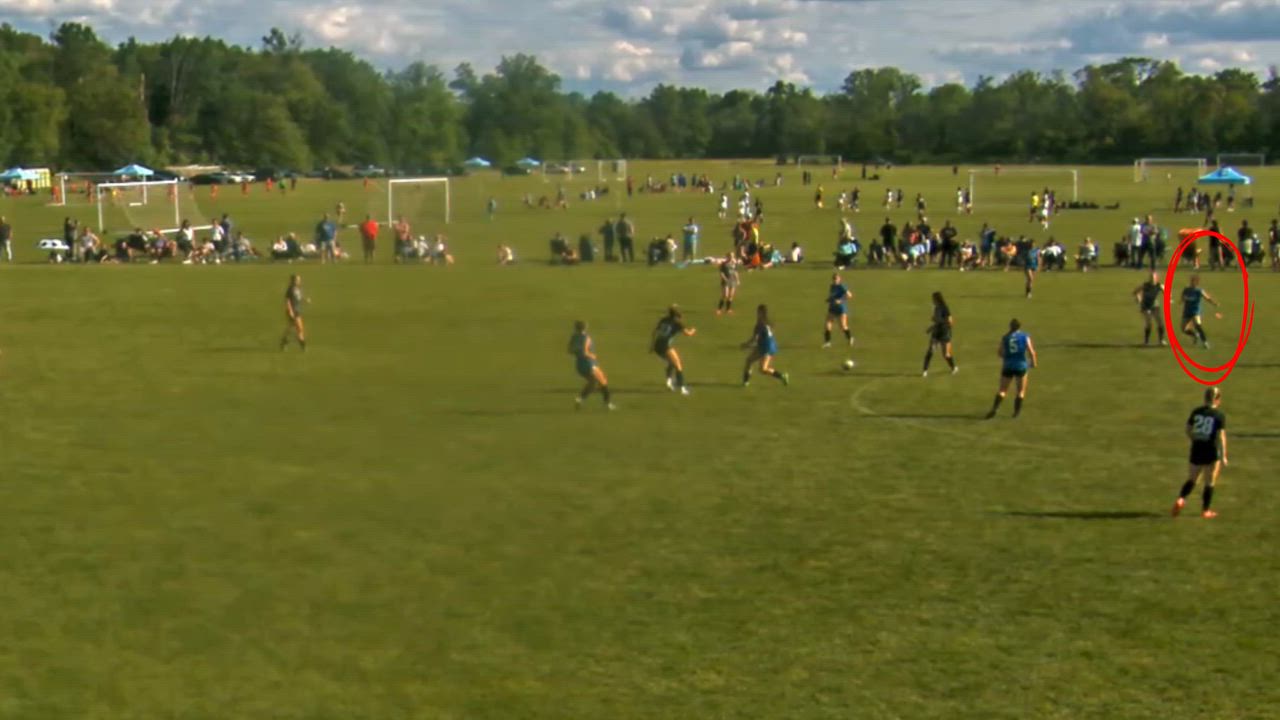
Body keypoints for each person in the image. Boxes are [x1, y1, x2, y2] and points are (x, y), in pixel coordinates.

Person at [1172, 387, 1228, 519]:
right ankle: (1205, 510)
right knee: (1209, 482)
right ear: (1217, 399)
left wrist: (1195, 439)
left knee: (1192, 479)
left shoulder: (1196, 412)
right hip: (1211, 450)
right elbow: (1221, 437)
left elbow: (1188, 429)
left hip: (1196, 449)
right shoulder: (1219, 415)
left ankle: (1181, 499)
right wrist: (1223, 456)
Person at [985, 318, 1037, 419]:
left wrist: (1008, 356)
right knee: (1021, 391)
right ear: (1019, 326)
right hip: (1021, 366)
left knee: (1002, 390)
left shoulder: (1005, 337)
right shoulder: (1025, 336)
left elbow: (1000, 353)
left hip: (1008, 366)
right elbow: (1031, 351)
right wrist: (1034, 363)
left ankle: (995, 408)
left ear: (1010, 327)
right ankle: (1016, 413)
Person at [568, 320, 615, 411]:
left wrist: (577, 353)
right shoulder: (586, 337)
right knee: (601, 382)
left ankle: (580, 400)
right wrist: (592, 356)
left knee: (596, 382)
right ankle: (607, 404)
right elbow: (584, 351)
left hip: (579, 364)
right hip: (590, 364)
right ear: (585, 327)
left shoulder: (574, 337)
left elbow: (569, 350)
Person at [652, 305, 697, 395]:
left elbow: (655, 332)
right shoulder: (677, 323)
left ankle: (669, 382)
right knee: (678, 364)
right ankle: (683, 389)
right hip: (665, 346)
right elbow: (688, 334)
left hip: (657, 345)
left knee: (671, 363)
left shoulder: (663, 320)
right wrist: (693, 330)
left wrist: (651, 345)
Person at [741, 304, 789, 387]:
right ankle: (745, 382)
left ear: (760, 313)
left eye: (758, 312)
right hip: (770, 345)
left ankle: (782, 376)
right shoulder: (767, 322)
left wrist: (746, 345)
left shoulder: (759, 324)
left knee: (762, 369)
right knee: (750, 361)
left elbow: (754, 339)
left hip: (766, 347)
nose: (756, 314)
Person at [1180, 274, 1221, 349]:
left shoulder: (1199, 291)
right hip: (1187, 311)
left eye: (1194, 281)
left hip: (1195, 311)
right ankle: (1195, 335)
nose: (1192, 282)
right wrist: (1182, 300)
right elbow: (1182, 297)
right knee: (1184, 329)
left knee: (1198, 325)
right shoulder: (1186, 289)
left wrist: (1214, 303)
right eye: (1192, 281)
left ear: (1197, 282)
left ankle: (1205, 343)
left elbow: (1207, 298)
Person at [922, 291, 957, 377]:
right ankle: (925, 370)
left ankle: (954, 368)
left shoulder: (944, 308)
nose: (932, 300)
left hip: (945, 333)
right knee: (931, 351)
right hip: (936, 333)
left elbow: (951, 321)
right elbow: (937, 321)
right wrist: (932, 328)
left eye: (933, 298)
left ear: (937, 299)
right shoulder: (936, 308)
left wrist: (941, 322)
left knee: (946, 354)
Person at [1133, 270, 1167, 346]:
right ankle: (1146, 342)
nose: (1152, 279)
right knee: (1149, 324)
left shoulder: (1159, 286)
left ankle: (1161, 341)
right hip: (1145, 306)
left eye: (1153, 277)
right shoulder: (1145, 285)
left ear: (1157, 278)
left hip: (1155, 306)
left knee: (1160, 323)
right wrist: (1138, 297)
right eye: (1151, 277)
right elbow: (1135, 291)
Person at [823, 273, 854, 348]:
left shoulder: (842, 286)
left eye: (836, 278)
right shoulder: (832, 286)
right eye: (834, 278)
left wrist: (840, 300)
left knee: (843, 326)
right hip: (832, 308)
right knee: (827, 325)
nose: (835, 280)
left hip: (841, 308)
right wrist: (829, 299)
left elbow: (850, 295)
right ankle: (827, 343)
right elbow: (832, 296)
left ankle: (850, 338)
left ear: (839, 279)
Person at [280, 274, 308, 351]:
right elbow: (287, 301)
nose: (299, 281)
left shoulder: (298, 288)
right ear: (293, 281)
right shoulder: (290, 289)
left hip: (297, 310)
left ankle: (284, 341)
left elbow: (300, 297)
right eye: (297, 280)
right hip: (293, 311)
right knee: (299, 328)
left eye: (299, 279)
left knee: (291, 327)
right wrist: (290, 311)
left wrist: (305, 300)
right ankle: (303, 345)